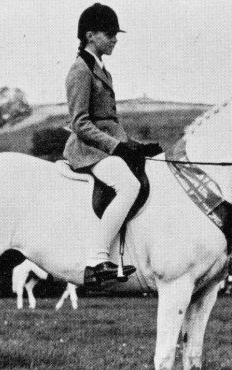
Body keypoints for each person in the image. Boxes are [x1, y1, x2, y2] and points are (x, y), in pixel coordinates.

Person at [63, 3, 162, 287]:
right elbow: (80, 123)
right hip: (87, 151)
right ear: (90, 35)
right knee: (127, 185)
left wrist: (135, 145)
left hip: (105, 147)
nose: (115, 39)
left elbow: (109, 122)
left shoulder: (102, 70)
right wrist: (116, 147)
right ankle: (95, 260)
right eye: (109, 34)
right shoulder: (80, 70)